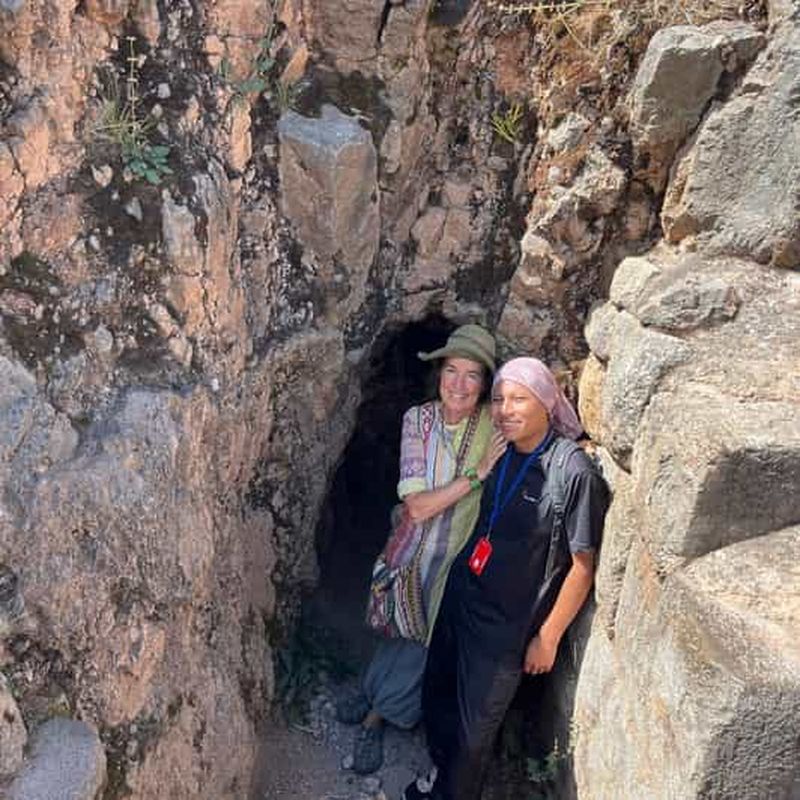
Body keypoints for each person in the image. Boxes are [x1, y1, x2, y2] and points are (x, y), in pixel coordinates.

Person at [403, 357, 610, 800]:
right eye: (498, 398)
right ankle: (437, 779)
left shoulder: (570, 471)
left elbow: (582, 566)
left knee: (474, 732)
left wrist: (549, 637)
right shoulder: (502, 451)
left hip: (505, 631)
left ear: (547, 402)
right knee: (439, 698)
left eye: (519, 399)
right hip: (463, 599)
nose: (505, 409)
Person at [337, 324, 507, 775]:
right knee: (395, 625)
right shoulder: (419, 420)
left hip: (453, 561)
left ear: (486, 385)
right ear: (439, 373)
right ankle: (372, 689)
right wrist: (477, 475)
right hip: (411, 548)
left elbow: (552, 415)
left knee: (423, 643)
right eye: (452, 370)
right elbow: (417, 505)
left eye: (473, 375)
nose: (459, 384)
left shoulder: (494, 421)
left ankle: (379, 716)